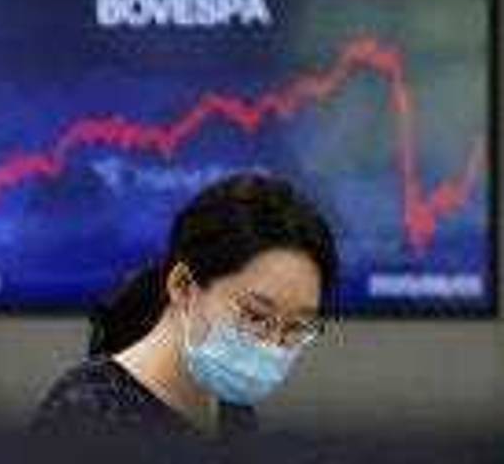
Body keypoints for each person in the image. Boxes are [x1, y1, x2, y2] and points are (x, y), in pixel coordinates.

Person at [30, 173, 338, 458]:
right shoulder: (88, 413)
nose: (272, 345)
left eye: (296, 327)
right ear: (182, 286)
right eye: (256, 316)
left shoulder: (232, 413)